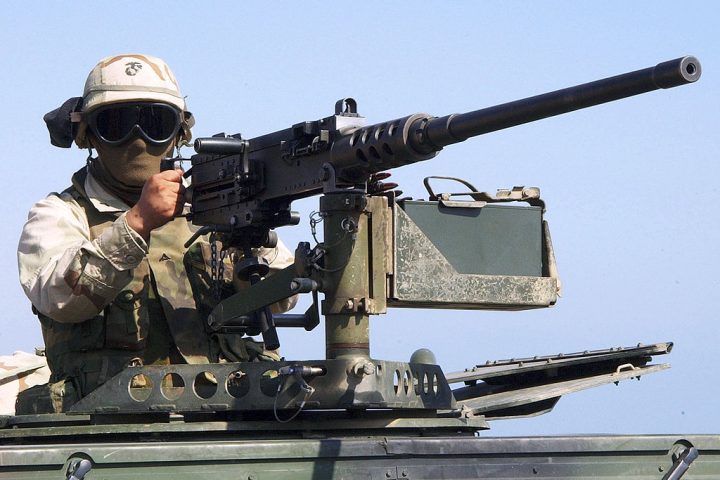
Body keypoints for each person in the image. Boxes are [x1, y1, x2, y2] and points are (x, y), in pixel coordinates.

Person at [17, 54, 295, 413]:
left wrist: (255, 232)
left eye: (154, 123)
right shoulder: (59, 214)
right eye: (116, 123)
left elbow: (281, 298)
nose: (138, 140)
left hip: (227, 415)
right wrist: (137, 223)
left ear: (179, 134)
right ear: (87, 135)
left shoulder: (211, 211)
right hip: (110, 425)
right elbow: (60, 299)